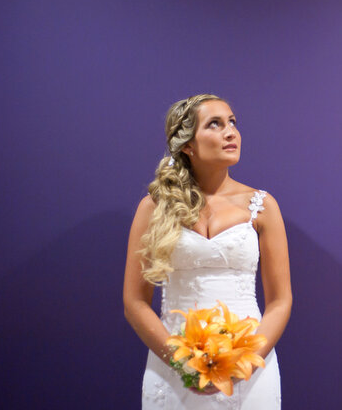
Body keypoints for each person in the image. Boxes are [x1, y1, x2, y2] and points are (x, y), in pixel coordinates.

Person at [123, 94, 292, 409]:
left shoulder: (263, 206)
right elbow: (134, 302)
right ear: (187, 144)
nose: (231, 132)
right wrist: (182, 365)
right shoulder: (155, 207)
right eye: (215, 124)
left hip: (249, 366)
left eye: (232, 123)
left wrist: (242, 364)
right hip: (173, 365)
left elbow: (281, 302)